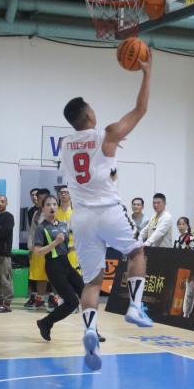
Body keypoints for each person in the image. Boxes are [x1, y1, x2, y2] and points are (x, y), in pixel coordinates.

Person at [60, 50, 154, 371]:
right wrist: (147, 73)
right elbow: (141, 109)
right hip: (109, 210)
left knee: (92, 282)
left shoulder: (65, 144)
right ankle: (135, 307)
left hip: (82, 218)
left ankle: (90, 330)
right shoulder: (107, 134)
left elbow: (89, 155)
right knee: (137, 252)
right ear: (88, 114)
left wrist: (109, 149)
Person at [34, 193, 91, 341]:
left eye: (54, 204)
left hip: (66, 264)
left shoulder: (63, 226)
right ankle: (46, 323)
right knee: (72, 302)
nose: (51, 207)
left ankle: (92, 330)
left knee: (86, 296)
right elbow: (37, 252)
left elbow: (65, 247)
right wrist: (55, 243)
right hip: (53, 267)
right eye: (48, 205)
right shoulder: (41, 228)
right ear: (43, 208)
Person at [25, 187, 54, 311]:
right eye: (39, 198)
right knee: (39, 276)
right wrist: (30, 247)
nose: (40, 200)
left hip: (49, 250)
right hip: (37, 250)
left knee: (52, 276)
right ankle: (40, 299)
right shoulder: (36, 214)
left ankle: (53, 299)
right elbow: (32, 231)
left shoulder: (53, 212)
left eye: (43, 198)